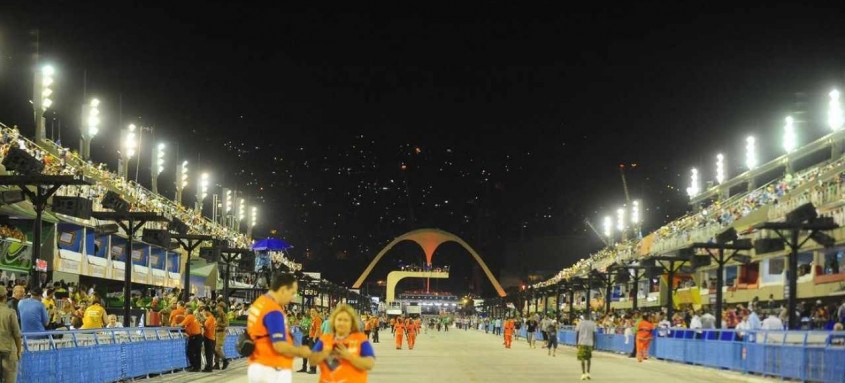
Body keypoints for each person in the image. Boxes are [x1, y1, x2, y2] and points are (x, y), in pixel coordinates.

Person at [246, 273, 311, 383]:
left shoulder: (260, 302)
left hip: (259, 364)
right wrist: (301, 351)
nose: (293, 297)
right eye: (292, 293)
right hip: (272, 369)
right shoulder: (273, 310)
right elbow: (279, 345)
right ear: (283, 290)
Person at [308, 304, 375, 383]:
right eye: (339, 319)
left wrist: (349, 356)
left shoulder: (360, 340)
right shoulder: (325, 340)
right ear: (334, 321)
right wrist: (325, 353)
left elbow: (369, 364)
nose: (342, 323)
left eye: (346, 320)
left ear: (352, 323)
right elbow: (312, 361)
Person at [0, 286, 23, 383]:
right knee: (9, 379)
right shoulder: (10, 312)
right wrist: (19, 350)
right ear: (5, 296)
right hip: (8, 351)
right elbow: (17, 334)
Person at [576, 315, 596, 381]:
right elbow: (594, 334)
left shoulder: (580, 323)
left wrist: (576, 343)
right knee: (589, 358)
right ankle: (588, 373)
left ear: (583, 318)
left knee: (582, 358)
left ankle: (583, 373)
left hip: (582, 342)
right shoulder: (592, 323)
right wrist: (594, 344)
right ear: (589, 317)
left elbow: (577, 333)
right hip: (589, 343)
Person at [214, 303, 230, 370]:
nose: (216, 308)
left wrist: (218, 324)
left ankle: (225, 361)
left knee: (217, 349)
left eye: (217, 306)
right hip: (216, 333)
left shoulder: (223, 315)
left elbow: (227, 324)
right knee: (215, 349)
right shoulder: (217, 314)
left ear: (221, 307)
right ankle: (216, 364)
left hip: (221, 333)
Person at [201, 307, 217, 372]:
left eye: (204, 311)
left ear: (207, 311)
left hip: (209, 337)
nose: (203, 313)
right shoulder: (212, 318)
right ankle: (209, 366)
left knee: (208, 354)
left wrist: (202, 324)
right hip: (211, 337)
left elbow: (207, 328)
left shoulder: (210, 319)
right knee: (209, 353)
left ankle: (209, 367)